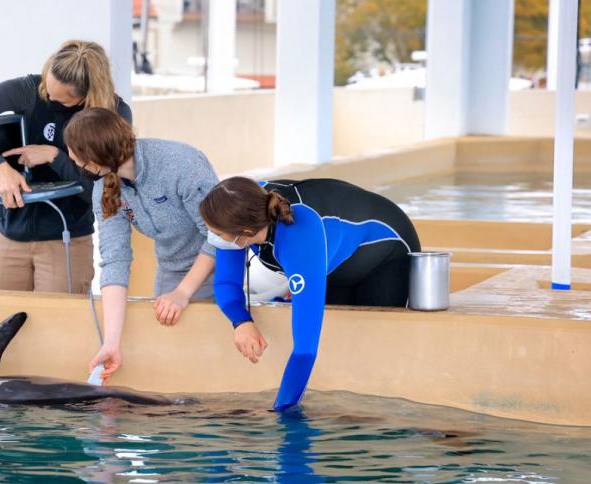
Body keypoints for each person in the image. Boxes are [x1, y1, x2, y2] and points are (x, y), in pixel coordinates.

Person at [199, 177, 421, 411]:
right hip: (335, 260)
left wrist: (281, 414)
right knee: (334, 355)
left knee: (369, 357)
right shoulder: (239, 209)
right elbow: (225, 284)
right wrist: (241, 321)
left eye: (216, 232)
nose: (211, 236)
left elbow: (305, 350)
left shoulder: (299, 237)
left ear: (245, 233)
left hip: (386, 253)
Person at [0, 40, 132, 293]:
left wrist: (56, 157)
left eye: (60, 100)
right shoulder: (27, 89)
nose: (49, 99)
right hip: (6, 236)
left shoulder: (115, 114)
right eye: (47, 90)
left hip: (66, 241)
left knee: (58, 326)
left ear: (87, 96)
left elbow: (106, 191)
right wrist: (0, 168)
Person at [62, 107, 219, 384]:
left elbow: (219, 236)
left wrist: (183, 293)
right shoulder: (104, 189)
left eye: (80, 163)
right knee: (171, 359)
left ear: (97, 158)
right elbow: (115, 260)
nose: (78, 168)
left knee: (208, 358)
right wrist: (111, 342)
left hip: (219, 267)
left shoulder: (181, 164)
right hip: (171, 267)